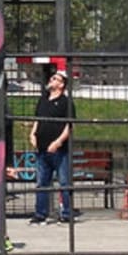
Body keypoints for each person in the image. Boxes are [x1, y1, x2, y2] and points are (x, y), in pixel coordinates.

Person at [29, 68, 75, 225]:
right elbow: (37, 119)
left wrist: (58, 142)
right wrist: (33, 134)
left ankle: (67, 214)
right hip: (42, 148)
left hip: (59, 150)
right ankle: (40, 214)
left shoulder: (65, 102)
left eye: (55, 78)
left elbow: (69, 125)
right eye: (52, 77)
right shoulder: (43, 99)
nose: (51, 80)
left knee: (64, 182)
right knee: (42, 182)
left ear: (62, 85)